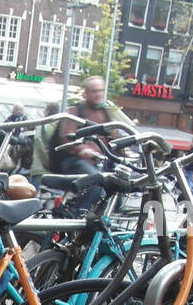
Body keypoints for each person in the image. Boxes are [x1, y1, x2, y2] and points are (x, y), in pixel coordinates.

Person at [47, 76, 133, 211]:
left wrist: (125, 148)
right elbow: (66, 136)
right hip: (74, 161)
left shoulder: (105, 113)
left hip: (99, 162)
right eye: (94, 91)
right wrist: (83, 150)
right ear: (85, 93)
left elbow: (113, 137)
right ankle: (78, 217)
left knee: (118, 185)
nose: (98, 94)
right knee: (96, 184)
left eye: (101, 91)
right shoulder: (75, 111)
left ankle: (108, 218)